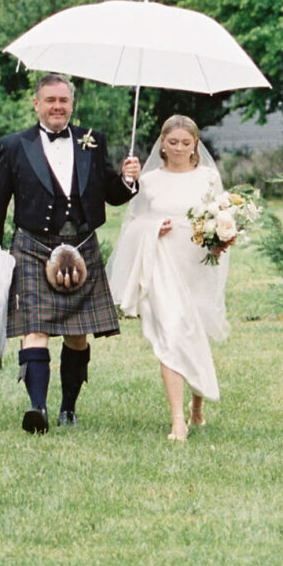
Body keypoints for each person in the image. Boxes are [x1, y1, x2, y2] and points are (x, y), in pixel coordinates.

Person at [0, 73, 140, 434]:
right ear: (36, 103)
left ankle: (68, 408)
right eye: (50, 100)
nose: (57, 107)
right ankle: (37, 408)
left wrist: (129, 180)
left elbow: (111, 195)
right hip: (33, 246)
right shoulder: (14, 145)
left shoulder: (92, 142)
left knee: (78, 334)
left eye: (63, 100)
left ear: (72, 104)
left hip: (82, 246)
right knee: (34, 329)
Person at [106, 114, 232, 442]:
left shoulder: (206, 177)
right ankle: (177, 419)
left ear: (195, 146)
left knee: (196, 331)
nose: (178, 148)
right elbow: (131, 224)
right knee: (171, 334)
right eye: (172, 142)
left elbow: (222, 217)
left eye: (185, 143)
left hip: (196, 261)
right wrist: (151, 228)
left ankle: (196, 405)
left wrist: (220, 242)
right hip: (161, 259)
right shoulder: (148, 181)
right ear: (162, 143)